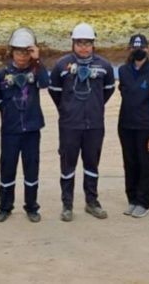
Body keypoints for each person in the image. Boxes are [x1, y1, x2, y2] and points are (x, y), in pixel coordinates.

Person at [49, 22, 116, 221]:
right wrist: (69, 110)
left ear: (93, 44)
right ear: (73, 44)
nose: (84, 47)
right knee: (68, 166)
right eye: (79, 43)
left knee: (92, 165)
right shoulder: (62, 66)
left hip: (94, 125)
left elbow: (108, 90)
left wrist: (93, 107)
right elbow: (55, 93)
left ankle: (92, 202)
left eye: (87, 43)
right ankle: (67, 205)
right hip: (70, 125)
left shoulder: (104, 66)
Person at [0, 27, 50, 223]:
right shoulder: (3, 75)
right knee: (7, 168)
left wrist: (38, 60)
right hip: (10, 131)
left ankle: (31, 207)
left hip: (32, 129)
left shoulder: (36, 71)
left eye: (26, 52)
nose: (22, 56)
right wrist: (10, 117)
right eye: (19, 52)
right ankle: (5, 207)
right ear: (12, 52)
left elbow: (45, 83)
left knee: (31, 169)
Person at [117, 34, 149, 218]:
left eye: (142, 48)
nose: (138, 51)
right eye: (134, 48)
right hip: (126, 126)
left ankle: (143, 202)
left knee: (145, 165)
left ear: (148, 49)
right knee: (129, 163)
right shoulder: (122, 71)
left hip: (145, 126)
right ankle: (132, 199)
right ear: (129, 49)